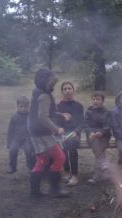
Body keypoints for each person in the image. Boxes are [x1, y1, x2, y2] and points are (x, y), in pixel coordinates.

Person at [27, 68, 70, 198]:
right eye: (52, 83)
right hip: (42, 133)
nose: (54, 85)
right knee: (60, 157)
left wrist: (60, 115)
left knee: (42, 160)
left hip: (35, 131)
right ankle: (55, 188)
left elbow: (44, 113)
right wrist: (57, 129)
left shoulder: (38, 92)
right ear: (45, 82)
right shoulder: (44, 96)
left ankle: (35, 192)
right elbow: (42, 117)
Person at [56, 82, 84, 186]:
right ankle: (67, 171)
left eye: (69, 88)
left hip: (74, 133)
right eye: (65, 89)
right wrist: (61, 132)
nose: (67, 90)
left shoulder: (78, 106)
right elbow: (57, 123)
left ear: (73, 90)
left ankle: (75, 175)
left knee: (71, 145)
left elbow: (81, 123)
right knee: (62, 145)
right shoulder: (58, 106)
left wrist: (76, 132)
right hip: (62, 133)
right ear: (62, 92)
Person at [84, 91, 112, 183]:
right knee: (96, 143)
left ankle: (96, 176)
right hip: (92, 136)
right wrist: (91, 133)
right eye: (94, 99)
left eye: (98, 99)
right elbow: (86, 125)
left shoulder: (107, 112)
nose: (95, 101)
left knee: (98, 148)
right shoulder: (88, 112)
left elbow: (108, 126)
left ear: (102, 101)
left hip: (104, 136)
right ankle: (103, 163)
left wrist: (101, 132)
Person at [6, 96, 35, 175]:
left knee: (29, 150)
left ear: (28, 106)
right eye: (21, 107)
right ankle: (12, 167)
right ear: (17, 106)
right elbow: (10, 130)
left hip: (27, 138)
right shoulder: (14, 117)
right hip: (16, 138)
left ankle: (31, 167)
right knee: (13, 149)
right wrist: (9, 142)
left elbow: (33, 127)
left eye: (25, 107)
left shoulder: (30, 116)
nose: (23, 108)